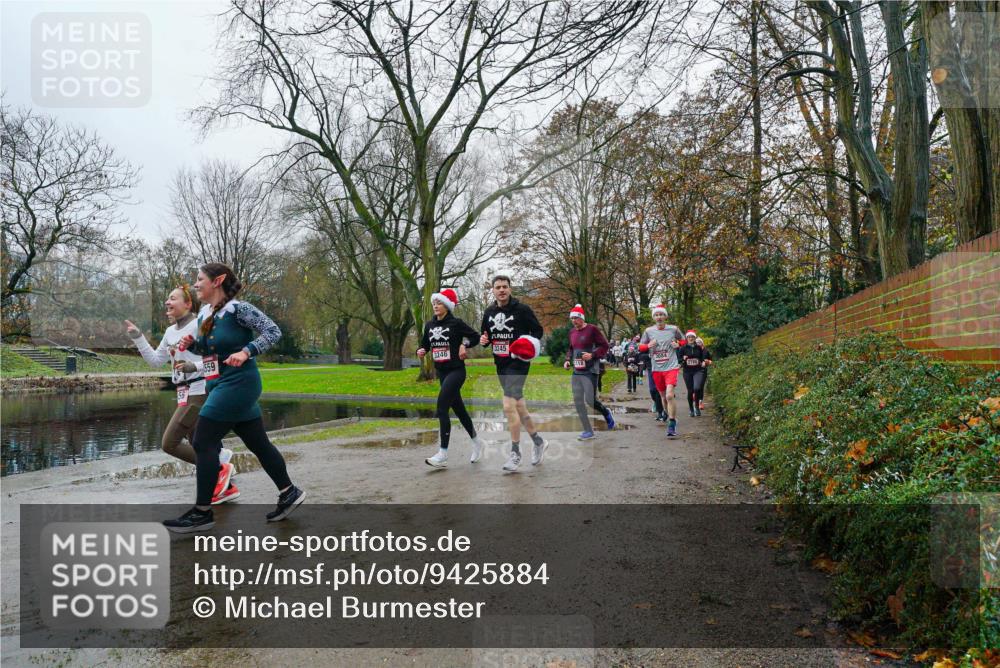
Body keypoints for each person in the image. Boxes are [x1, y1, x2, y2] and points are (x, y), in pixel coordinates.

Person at [164, 263, 305, 533]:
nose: (195, 285)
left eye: (199, 280)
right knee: (258, 443)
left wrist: (247, 351)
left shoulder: (240, 309)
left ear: (217, 281)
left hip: (240, 383)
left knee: (203, 440)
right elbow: (208, 349)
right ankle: (289, 492)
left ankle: (202, 512)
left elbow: (273, 331)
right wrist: (190, 345)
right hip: (219, 384)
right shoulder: (205, 313)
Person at [125, 286, 237, 503]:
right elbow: (156, 361)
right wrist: (139, 338)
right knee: (200, 444)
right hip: (183, 393)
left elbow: (216, 361)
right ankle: (227, 486)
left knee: (169, 443)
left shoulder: (201, 325)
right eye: (167, 298)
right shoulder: (169, 332)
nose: (167, 302)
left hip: (201, 391)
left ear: (188, 304)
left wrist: (192, 367)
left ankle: (220, 465)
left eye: (173, 298)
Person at [480, 275, 547, 472]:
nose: (501, 290)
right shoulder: (489, 312)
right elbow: (486, 335)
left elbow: (538, 331)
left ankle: (515, 453)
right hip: (500, 364)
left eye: (505, 287)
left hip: (518, 363)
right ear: (492, 290)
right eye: (498, 287)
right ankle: (538, 441)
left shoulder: (522, 310)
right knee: (518, 406)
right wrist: (484, 341)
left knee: (508, 405)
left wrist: (526, 345)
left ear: (510, 289)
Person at [416, 288, 487, 468]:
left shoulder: (456, 323)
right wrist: (421, 351)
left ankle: (443, 453)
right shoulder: (429, 325)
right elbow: (425, 344)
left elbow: (475, 337)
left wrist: (464, 345)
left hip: (456, 371)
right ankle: (478, 442)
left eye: (439, 303)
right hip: (442, 373)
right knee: (460, 411)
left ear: (447, 306)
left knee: (441, 407)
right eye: (434, 303)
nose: (435, 306)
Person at [562, 305, 615, 440]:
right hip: (577, 371)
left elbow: (604, 345)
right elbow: (571, 349)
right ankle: (588, 430)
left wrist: (592, 355)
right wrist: (567, 360)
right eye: (572, 318)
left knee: (590, 400)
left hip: (591, 370)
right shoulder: (572, 332)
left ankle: (605, 412)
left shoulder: (592, 329)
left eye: (576, 318)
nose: (574, 321)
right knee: (578, 401)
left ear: (582, 318)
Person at [639, 304, 684, 437]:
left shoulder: (673, 329)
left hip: (671, 366)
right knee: (663, 397)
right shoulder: (648, 331)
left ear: (665, 316)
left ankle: (672, 423)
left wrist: (678, 344)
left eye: (661, 315)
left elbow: (684, 340)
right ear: (654, 317)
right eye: (656, 315)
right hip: (657, 368)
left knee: (670, 395)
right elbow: (640, 347)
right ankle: (668, 414)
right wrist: (647, 346)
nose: (659, 317)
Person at [678, 330, 709, 417]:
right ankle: (691, 409)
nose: (691, 338)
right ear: (686, 338)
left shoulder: (699, 348)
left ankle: (697, 407)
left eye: (692, 337)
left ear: (695, 338)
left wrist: (703, 362)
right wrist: (682, 359)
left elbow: (703, 357)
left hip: (697, 370)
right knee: (690, 391)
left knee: (697, 388)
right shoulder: (683, 348)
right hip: (687, 371)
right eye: (689, 337)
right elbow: (679, 359)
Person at [696, 337, 713, 411]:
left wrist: (707, 362)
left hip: (703, 371)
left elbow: (711, 361)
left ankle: (700, 402)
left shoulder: (706, 351)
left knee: (701, 387)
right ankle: (695, 395)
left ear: (702, 343)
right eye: (696, 343)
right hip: (694, 371)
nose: (698, 344)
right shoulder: (693, 351)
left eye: (699, 342)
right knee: (695, 387)